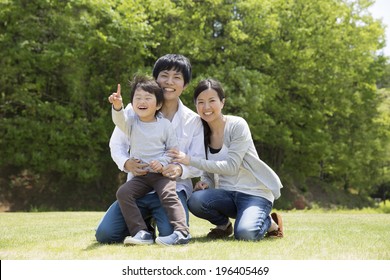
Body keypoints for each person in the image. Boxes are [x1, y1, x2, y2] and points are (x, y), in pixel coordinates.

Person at [95, 54, 204, 245]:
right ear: (155, 79)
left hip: (172, 187)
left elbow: (199, 161)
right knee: (106, 234)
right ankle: (143, 227)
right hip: (139, 185)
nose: (169, 82)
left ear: (185, 85)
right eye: (164, 75)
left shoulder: (193, 120)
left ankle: (162, 223)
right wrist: (126, 163)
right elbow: (117, 144)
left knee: (170, 232)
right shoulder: (134, 109)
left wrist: (180, 169)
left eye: (177, 77)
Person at [169, 78, 284, 241]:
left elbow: (231, 167)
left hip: (254, 193)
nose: (206, 107)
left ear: (222, 102)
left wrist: (189, 160)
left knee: (245, 234)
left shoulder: (237, 125)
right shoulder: (201, 131)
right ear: (195, 105)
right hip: (227, 194)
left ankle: (269, 222)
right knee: (195, 200)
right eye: (200, 102)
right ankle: (223, 226)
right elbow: (208, 169)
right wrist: (206, 183)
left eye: (212, 101)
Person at [108, 75, 190, 245]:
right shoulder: (131, 123)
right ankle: (141, 232)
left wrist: (162, 162)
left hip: (161, 174)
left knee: (169, 195)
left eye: (147, 98)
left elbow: (172, 151)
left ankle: (182, 232)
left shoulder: (165, 125)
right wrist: (117, 107)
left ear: (158, 104)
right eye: (137, 98)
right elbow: (119, 121)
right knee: (123, 193)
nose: (141, 101)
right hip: (142, 176)